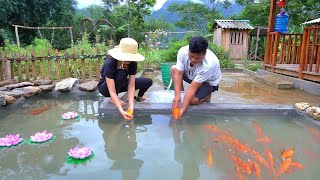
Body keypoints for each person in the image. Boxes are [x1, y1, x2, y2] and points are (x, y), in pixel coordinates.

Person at [98, 37, 153, 120]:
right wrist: (121, 109)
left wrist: (131, 106)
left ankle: (140, 96)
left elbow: (131, 85)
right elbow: (111, 90)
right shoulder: (110, 63)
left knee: (148, 81)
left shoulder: (132, 63)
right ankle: (113, 99)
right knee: (121, 73)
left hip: (121, 83)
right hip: (106, 88)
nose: (128, 59)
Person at [170, 36, 221, 117]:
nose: (193, 60)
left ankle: (207, 95)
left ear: (204, 54)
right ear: (189, 51)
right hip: (193, 76)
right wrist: (177, 96)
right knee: (174, 69)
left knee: (192, 101)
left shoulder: (209, 64)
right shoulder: (182, 52)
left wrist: (182, 109)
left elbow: (192, 88)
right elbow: (179, 73)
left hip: (208, 82)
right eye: (191, 56)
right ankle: (181, 96)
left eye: (197, 58)